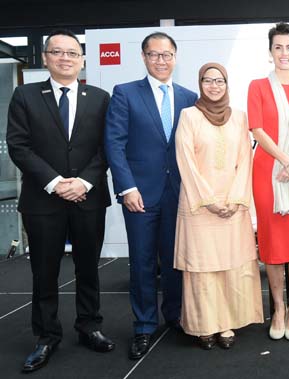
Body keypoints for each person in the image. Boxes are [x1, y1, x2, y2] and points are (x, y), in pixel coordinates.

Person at [6, 29, 115, 373]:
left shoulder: (100, 97)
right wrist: (55, 183)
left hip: (88, 196)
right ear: (45, 58)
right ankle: (46, 337)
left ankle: (89, 326)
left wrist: (82, 181)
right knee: (44, 272)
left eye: (72, 52)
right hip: (43, 200)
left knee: (87, 268)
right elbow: (19, 146)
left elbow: (106, 147)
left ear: (82, 59)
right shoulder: (24, 96)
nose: (65, 58)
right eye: (58, 52)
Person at [104, 31, 198, 359]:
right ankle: (144, 325)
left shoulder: (189, 96)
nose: (161, 60)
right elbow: (114, 144)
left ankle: (174, 316)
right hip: (139, 195)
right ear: (144, 58)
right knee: (143, 262)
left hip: (180, 194)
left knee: (175, 261)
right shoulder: (126, 93)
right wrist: (127, 187)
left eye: (167, 54)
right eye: (154, 55)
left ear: (175, 57)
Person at [174, 63, 263, 350]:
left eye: (220, 80)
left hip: (233, 207)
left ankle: (225, 323)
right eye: (208, 80)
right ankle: (204, 325)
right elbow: (185, 162)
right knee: (203, 269)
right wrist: (210, 201)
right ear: (200, 84)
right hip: (199, 206)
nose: (214, 86)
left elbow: (245, 161)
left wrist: (235, 199)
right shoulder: (188, 116)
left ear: (227, 84)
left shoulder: (239, 117)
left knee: (230, 266)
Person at [246, 22, 289, 341]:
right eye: (278, 47)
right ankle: (278, 306)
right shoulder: (257, 86)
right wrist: (285, 160)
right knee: (272, 241)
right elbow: (257, 130)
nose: (283, 53)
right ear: (270, 51)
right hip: (267, 170)